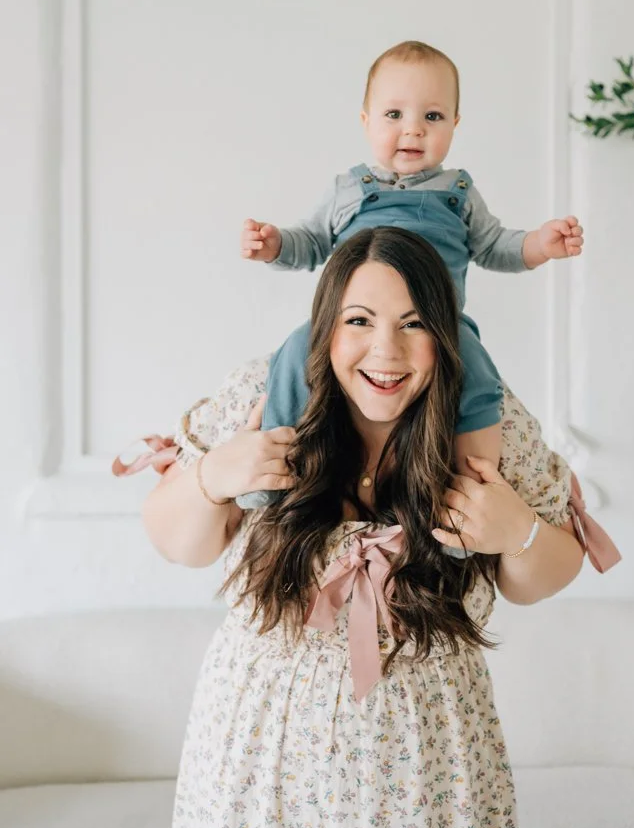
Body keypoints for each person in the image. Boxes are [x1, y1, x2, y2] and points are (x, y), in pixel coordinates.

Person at [137, 227, 620, 828]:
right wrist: (213, 474)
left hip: (428, 758)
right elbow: (181, 544)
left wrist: (517, 531)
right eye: (359, 320)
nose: (385, 351)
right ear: (324, 328)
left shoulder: (485, 422)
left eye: (413, 323)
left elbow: (545, 576)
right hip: (262, 747)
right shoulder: (263, 399)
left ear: (445, 335)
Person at [238, 40, 584, 536]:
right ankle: (272, 463)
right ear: (366, 121)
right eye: (394, 114)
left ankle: (467, 497)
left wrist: (539, 244)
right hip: (352, 322)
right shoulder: (349, 190)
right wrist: (275, 246)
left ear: (455, 125)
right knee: (296, 349)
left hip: (433, 325)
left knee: (476, 368)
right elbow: (311, 242)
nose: (414, 128)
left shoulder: (457, 194)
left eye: (434, 116)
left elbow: (495, 247)